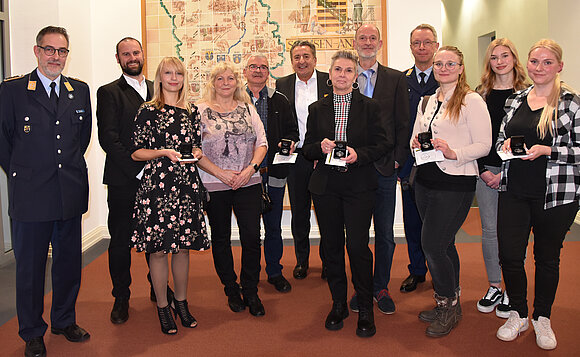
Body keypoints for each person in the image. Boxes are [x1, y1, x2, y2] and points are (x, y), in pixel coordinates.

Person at [0, 26, 92, 357]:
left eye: (62, 51)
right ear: (37, 51)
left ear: (67, 54)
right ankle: (32, 331)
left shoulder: (78, 90)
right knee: (30, 269)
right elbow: (4, 143)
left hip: (68, 192)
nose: (56, 56)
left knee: (68, 264)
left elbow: (81, 141)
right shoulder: (12, 91)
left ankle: (64, 320)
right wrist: (26, 173)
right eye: (49, 49)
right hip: (30, 196)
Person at [495, 39, 580, 351]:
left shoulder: (571, 103)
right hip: (514, 190)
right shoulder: (516, 100)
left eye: (547, 62)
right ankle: (517, 312)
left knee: (547, 258)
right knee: (510, 256)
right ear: (526, 65)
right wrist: (503, 147)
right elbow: (502, 138)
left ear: (559, 66)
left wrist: (548, 150)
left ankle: (541, 316)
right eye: (534, 62)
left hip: (555, 195)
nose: (539, 68)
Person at [303, 50, 389, 338]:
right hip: (326, 187)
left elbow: (382, 143)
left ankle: (365, 306)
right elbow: (307, 148)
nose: (342, 75)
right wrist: (321, 147)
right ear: (330, 75)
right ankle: (338, 303)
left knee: (357, 247)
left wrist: (358, 155)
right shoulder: (317, 109)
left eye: (348, 70)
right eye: (337, 70)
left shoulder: (370, 107)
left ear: (355, 76)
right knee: (332, 247)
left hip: (358, 187)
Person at [411, 46, 491, 337]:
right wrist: (417, 145)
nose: (443, 68)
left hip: (455, 183)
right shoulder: (427, 101)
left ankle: (448, 305)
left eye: (450, 63)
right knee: (444, 245)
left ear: (460, 68)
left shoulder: (471, 101)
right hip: (424, 180)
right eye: (438, 63)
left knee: (432, 245)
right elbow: (415, 137)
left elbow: (484, 144)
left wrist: (452, 151)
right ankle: (449, 300)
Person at [130, 57, 209, 334]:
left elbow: (196, 146)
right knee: (160, 249)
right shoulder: (148, 110)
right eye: (168, 73)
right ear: (159, 77)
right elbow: (136, 151)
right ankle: (163, 306)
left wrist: (197, 152)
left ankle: (181, 301)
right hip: (157, 189)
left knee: (183, 247)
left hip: (186, 186)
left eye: (178, 73)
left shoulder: (192, 110)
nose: (173, 78)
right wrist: (163, 152)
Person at [97, 37, 173, 325]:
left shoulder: (159, 89)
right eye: (125, 54)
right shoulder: (108, 92)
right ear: (117, 59)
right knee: (120, 241)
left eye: (136, 52)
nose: (132, 57)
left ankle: (158, 286)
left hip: (158, 182)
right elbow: (109, 140)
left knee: (156, 237)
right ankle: (121, 297)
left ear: (144, 54)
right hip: (124, 179)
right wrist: (138, 169)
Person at [197, 62, 268, 317]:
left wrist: (250, 169)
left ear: (237, 82)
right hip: (215, 184)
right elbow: (195, 150)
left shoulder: (248, 109)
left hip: (248, 182)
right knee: (221, 238)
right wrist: (222, 174)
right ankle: (230, 287)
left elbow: (262, 142)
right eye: (220, 78)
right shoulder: (200, 111)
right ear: (212, 83)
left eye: (230, 78)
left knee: (251, 237)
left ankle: (250, 289)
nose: (226, 83)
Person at [350, 23, 409, 314]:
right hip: (353, 169)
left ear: (380, 43)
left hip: (386, 168)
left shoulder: (396, 79)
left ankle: (380, 286)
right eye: (363, 37)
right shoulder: (344, 76)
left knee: (385, 233)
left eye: (373, 38)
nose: (368, 42)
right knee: (357, 235)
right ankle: (362, 286)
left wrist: (398, 159)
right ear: (355, 42)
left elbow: (402, 122)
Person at [474, 38, 528, 318]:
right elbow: (475, 135)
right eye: (494, 57)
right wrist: (483, 169)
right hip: (486, 172)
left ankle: (512, 288)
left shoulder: (529, 93)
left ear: (514, 58)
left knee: (514, 232)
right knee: (490, 231)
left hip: (517, 171)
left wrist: (506, 170)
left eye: (505, 55)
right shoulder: (480, 93)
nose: (499, 61)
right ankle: (495, 285)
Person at [243, 54, 299, 293]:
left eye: (263, 67)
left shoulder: (280, 100)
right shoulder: (235, 100)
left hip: (273, 172)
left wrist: (290, 143)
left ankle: (274, 271)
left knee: (273, 227)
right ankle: (250, 275)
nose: (258, 70)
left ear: (269, 72)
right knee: (250, 229)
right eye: (253, 67)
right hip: (246, 177)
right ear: (245, 71)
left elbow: (293, 131)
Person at [276, 41, 332, 280]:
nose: (302, 61)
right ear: (292, 61)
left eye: (306, 56)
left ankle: (329, 262)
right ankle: (302, 261)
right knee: (300, 213)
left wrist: (322, 152)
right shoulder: (283, 84)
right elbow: (281, 121)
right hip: (297, 158)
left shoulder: (329, 82)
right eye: (297, 57)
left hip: (323, 157)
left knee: (327, 214)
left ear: (315, 59)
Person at [399, 24, 439, 293]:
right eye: (417, 43)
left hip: (439, 163)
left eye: (427, 42)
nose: (422, 47)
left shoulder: (447, 77)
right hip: (409, 162)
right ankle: (417, 270)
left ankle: (441, 273)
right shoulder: (401, 81)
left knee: (438, 223)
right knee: (412, 220)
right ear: (411, 47)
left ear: (436, 45)